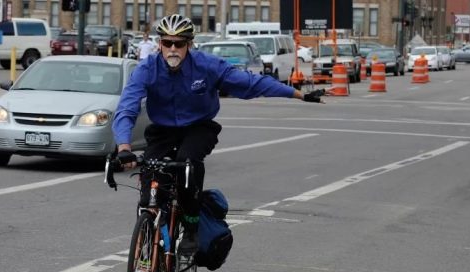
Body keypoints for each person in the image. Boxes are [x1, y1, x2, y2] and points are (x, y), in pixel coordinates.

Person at [112, 14, 325, 255]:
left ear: (189, 44)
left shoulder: (207, 66)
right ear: (160, 44)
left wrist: (298, 94)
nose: (172, 49)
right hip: (163, 130)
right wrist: (124, 147)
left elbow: (251, 83)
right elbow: (127, 107)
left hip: (198, 127)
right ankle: (151, 231)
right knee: (149, 184)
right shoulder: (147, 68)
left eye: (178, 44)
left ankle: (191, 228)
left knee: (187, 165)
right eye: (167, 43)